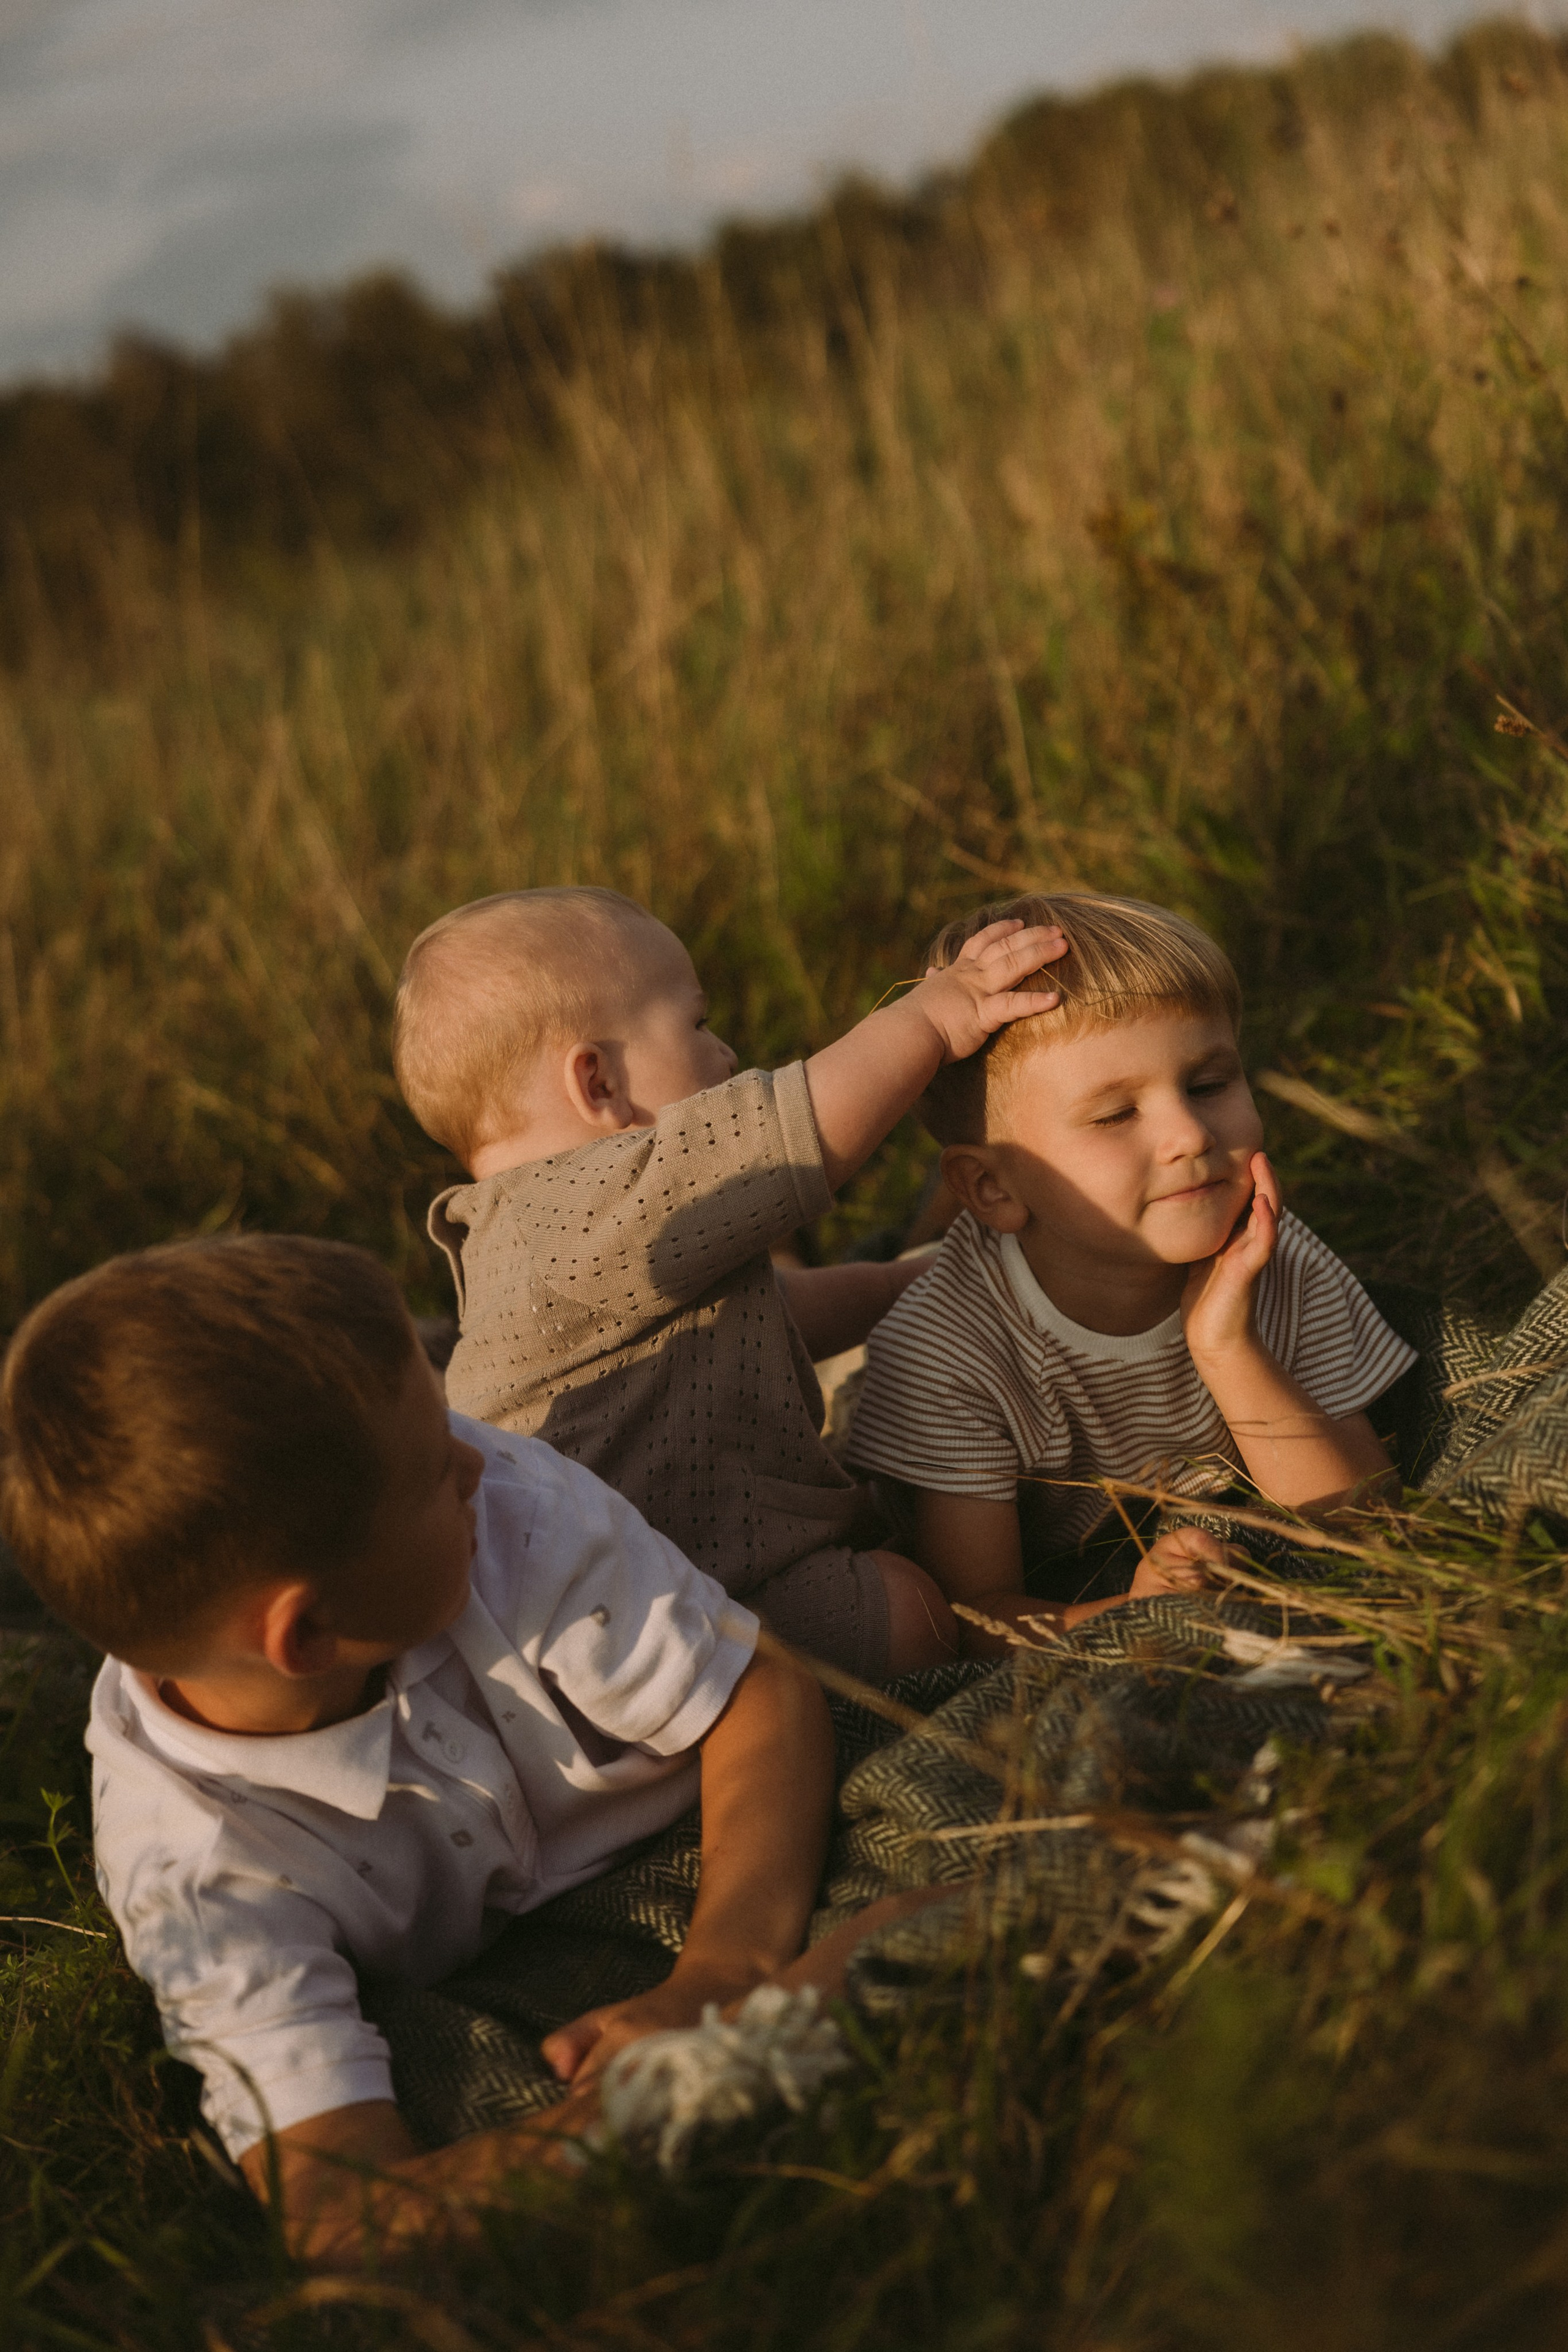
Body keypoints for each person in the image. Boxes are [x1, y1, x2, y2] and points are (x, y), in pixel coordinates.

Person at [0, 1234, 850, 2266]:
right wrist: (645, 2096)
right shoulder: (196, 1872)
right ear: (308, 1636)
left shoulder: (506, 1514)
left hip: (710, 1824)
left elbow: (764, 1694)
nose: (474, 1456)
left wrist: (724, 1969)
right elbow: (338, 2204)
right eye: (425, 1468)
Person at [392, 887, 1070, 1683]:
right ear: (598, 1083)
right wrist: (932, 1016)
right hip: (646, 1623)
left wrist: (917, 1280)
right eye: (699, 1025)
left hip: (640, 1588)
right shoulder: (579, 1202)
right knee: (913, 1609)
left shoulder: (543, 1239)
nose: (728, 1057)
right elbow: (790, 1132)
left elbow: (769, 1320)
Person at [845, 892, 1417, 1653]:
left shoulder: (1269, 1260)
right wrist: (1133, 1617)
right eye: (1115, 1115)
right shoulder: (946, 1355)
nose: (1188, 1134)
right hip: (870, 1359)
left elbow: (1368, 1535)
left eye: (1208, 1084)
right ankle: (854, 1249)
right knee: (860, 1297)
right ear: (993, 1187)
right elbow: (976, 1615)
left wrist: (1226, 1348)